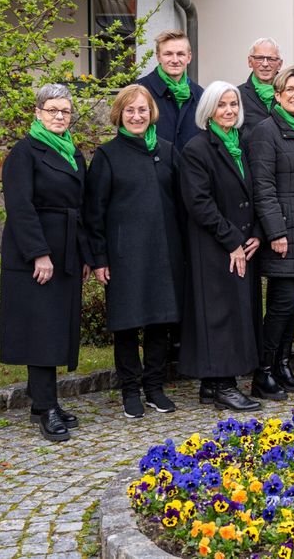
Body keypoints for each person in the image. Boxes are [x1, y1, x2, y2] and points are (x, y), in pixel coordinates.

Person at [83, 84, 185, 419]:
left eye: (142, 110)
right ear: (120, 114)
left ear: (151, 113)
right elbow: (93, 212)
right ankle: (130, 390)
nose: (137, 116)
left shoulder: (169, 151)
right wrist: (98, 258)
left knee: (160, 323)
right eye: (130, 110)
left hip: (164, 252)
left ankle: (154, 387)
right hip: (124, 256)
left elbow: (183, 204)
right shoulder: (107, 155)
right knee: (127, 326)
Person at [0, 83, 87, 442]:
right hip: (37, 254)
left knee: (58, 326)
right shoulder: (24, 153)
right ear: (37, 113)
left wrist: (83, 253)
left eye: (64, 111)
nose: (58, 117)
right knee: (41, 329)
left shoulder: (73, 152)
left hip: (67, 248)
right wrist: (39, 253)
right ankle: (46, 408)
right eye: (52, 110)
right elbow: (20, 207)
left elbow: (80, 206)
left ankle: (43, 400)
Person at [177, 80, 263, 412]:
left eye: (233, 105)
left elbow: (255, 194)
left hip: (244, 242)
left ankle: (212, 385)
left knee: (238, 312)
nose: (229, 111)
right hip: (215, 246)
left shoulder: (242, 143)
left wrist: (257, 232)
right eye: (222, 105)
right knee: (220, 315)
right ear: (208, 110)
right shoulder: (197, 149)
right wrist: (232, 242)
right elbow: (199, 203)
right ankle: (225, 386)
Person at [248, 65, 294, 399]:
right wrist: (275, 231)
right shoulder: (266, 131)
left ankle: (282, 364)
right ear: (277, 95)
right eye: (290, 89)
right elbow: (262, 187)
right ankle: (262, 371)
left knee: (291, 305)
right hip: (283, 233)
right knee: (281, 303)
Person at [137, 30, 204, 149]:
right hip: (153, 165)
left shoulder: (201, 95)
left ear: (189, 57)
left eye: (180, 54)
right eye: (168, 54)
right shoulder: (139, 90)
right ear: (158, 57)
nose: (175, 60)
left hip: (190, 166)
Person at [237, 38, 284, 128]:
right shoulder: (237, 95)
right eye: (259, 58)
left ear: (279, 64)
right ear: (250, 62)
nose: (265, 64)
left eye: (271, 59)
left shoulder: (291, 94)